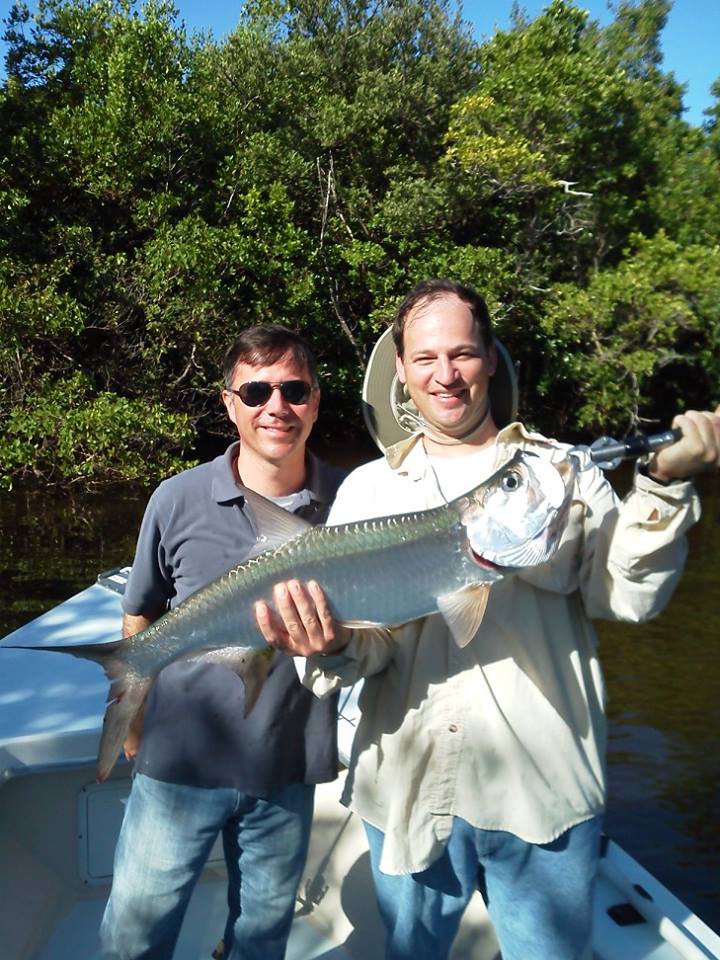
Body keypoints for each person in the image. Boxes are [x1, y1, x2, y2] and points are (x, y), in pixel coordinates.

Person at [254, 280, 720, 960]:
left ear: (491, 360)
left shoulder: (557, 470)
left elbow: (629, 596)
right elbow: (368, 654)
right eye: (426, 358)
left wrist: (666, 484)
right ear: (402, 371)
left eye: (464, 353)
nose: (446, 375)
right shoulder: (368, 490)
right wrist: (326, 647)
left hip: (543, 797)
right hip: (408, 792)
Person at [100, 325, 345, 960]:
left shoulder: (354, 504)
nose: (276, 407)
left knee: (260, 942)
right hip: (177, 764)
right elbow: (141, 614)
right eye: (257, 390)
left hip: (286, 769)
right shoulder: (177, 498)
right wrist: (132, 729)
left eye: (294, 390)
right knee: (133, 941)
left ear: (316, 400)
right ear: (228, 402)